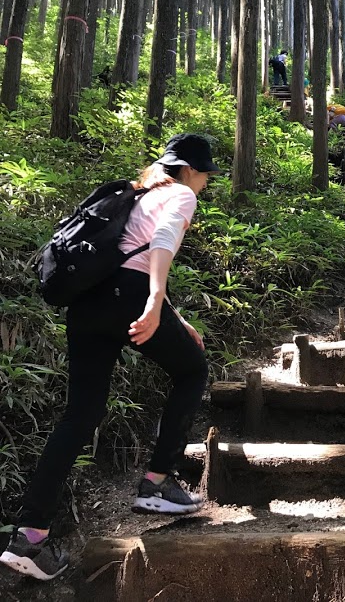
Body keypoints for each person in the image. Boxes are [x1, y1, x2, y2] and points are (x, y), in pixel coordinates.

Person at [0, 134, 219, 581]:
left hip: (89, 303)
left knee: (80, 414)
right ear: (192, 171)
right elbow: (158, 245)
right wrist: (156, 302)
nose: (205, 184)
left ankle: (30, 536)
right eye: (206, 175)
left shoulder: (138, 194)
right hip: (132, 298)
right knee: (192, 372)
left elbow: (124, 256)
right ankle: (157, 483)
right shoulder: (179, 194)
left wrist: (172, 313)